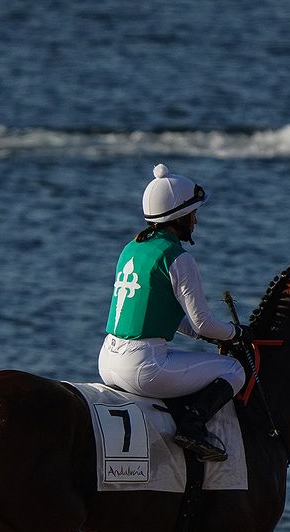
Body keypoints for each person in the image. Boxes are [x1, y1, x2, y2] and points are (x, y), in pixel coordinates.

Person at [99, 164, 248, 463]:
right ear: (178, 218)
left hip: (107, 360)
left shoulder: (131, 249)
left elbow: (165, 314)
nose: (195, 221)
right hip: (143, 366)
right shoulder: (179, 258)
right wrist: (238, 333)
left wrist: (201, 334)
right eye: (192, 214)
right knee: (234, 371)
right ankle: (192, 426)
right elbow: (204, 322)